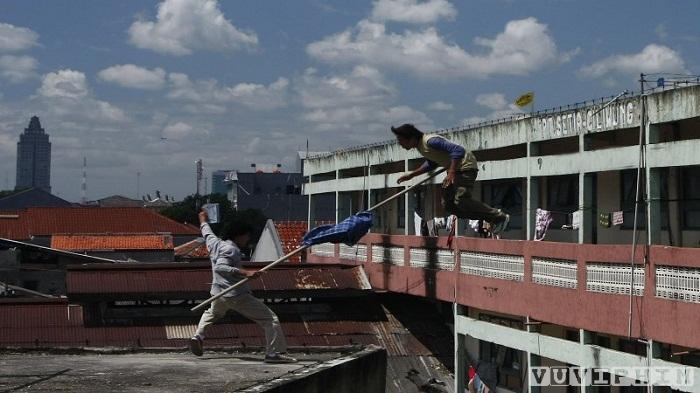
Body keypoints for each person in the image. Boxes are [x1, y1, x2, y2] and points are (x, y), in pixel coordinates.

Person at [190, 210, 297, 363]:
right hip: (235, 295)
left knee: (212, 313)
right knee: (270, 319)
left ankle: (198, 336)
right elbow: (221, 267)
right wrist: (245, 272)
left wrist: (203, 221)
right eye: (247, 235)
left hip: (218, 293)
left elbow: (206, 232)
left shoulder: (215, 243)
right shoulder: (231, 249)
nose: (248, 239)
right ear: (239, 235)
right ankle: (274, 353)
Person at [392, 123, 509, 235]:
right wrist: (412, 175)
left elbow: (458, 150)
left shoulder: (431, 141)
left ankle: (498, 216)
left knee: (461, 200)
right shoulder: (421, 147)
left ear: (411, 138)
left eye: (401, 140)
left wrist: (451, 172)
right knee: (449, 205)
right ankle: (491, 218)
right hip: (454, 171)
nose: (400, 144)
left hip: (465, 167)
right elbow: (432, 163)